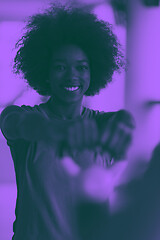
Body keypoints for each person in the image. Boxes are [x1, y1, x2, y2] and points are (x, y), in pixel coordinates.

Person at [0, 4, 135, 240]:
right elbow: (13, 121)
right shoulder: (25, 119)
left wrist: (127, 121)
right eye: (60, 67)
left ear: (93, 71)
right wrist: (57, 130)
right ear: (45, 72)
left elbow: (122, 120)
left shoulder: (102, 125)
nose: (72, 76)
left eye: (81, 67)